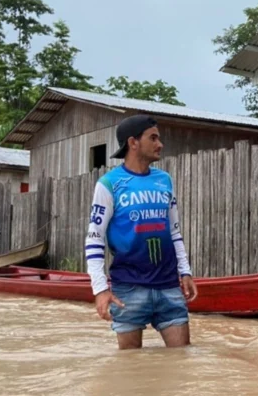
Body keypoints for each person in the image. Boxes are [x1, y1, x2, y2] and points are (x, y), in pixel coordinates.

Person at [85, 114, 198, 350]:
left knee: (181, 363)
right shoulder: (109, 184)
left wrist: (185, 272)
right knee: (129, 370)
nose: (160, 144)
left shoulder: (164, 180)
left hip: (169, 286)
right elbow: (94, 240)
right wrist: (100, 289)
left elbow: (174, 232)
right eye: (153, 138)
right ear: (133, 142)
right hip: (128, 289)